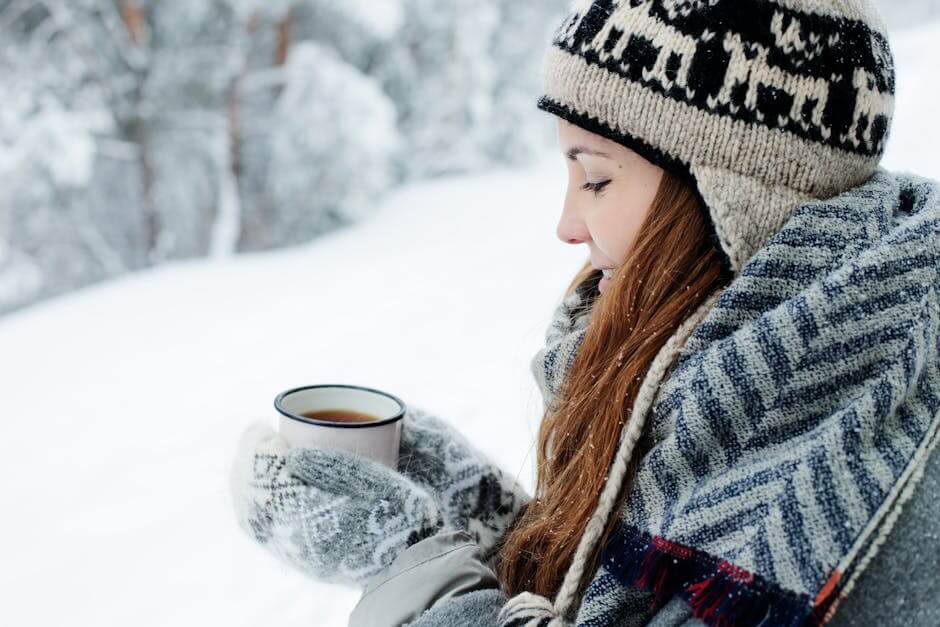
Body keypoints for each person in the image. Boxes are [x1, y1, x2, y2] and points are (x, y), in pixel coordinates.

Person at [229, 1, 940, 625]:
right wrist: (483, 515)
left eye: (596, 176)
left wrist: (409, 571)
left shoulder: (830, 482)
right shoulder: (774, 375)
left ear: (737, 196)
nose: (567, 223)